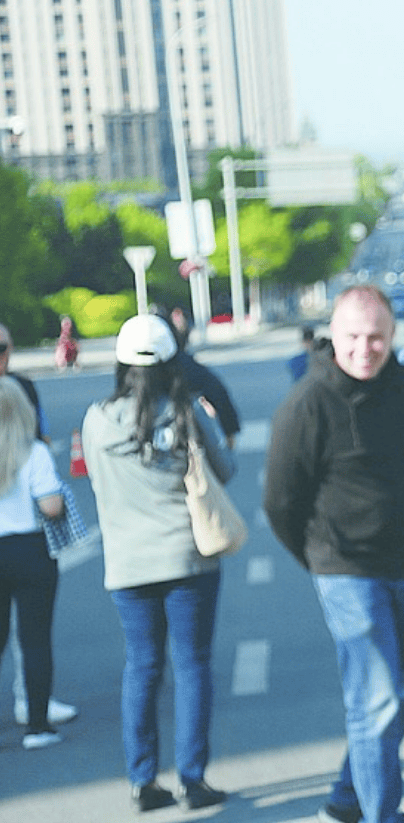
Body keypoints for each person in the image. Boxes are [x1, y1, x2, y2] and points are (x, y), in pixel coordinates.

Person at [264, 286, 404, 823]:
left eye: (376, 337)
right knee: (375, 700)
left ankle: (346, 794)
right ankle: (383, 815)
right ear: (333, 336)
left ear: (392, 336)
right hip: (346, 570)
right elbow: (280, 502)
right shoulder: (307, 403)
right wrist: (319, 558)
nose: (365, 348)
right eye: (353, 337)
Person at [82, 314, 235, 812]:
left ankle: (142, 781)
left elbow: (98, 483)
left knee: (143, 667)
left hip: (126, 565)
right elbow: (225, 471)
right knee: (192, 667)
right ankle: (192, 780)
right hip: (189, 561)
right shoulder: (186, 412)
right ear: (172, 363)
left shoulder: (96, 419)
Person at [0, 322, 78, 729]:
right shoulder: (34, 454)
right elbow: (50, 507)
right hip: (29, 549)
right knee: (34, 639)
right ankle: (37, 724)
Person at [163, 307, 241, 449]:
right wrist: (230, 433)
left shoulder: (114, 414)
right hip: (179, 444)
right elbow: (217, 392)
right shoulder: (182, 365)